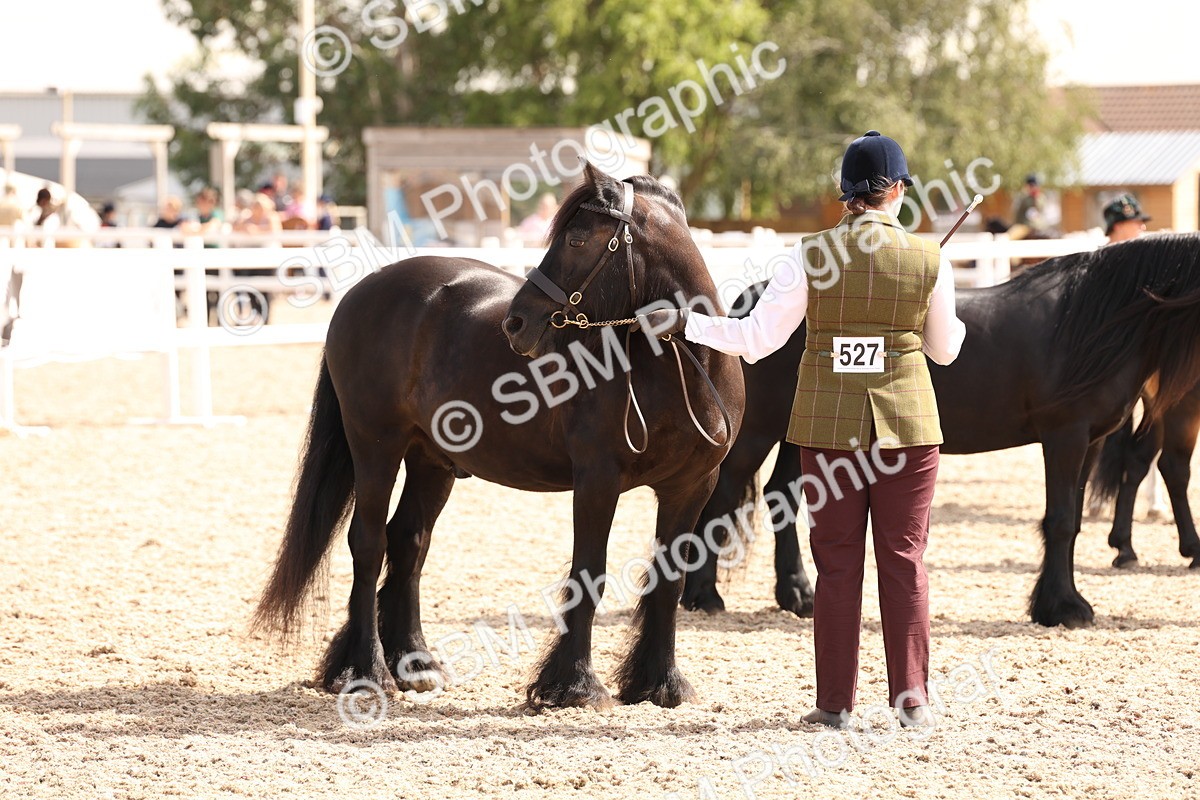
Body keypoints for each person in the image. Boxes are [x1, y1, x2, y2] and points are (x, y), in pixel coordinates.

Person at [638, 130, 966, 729]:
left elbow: (757, 342)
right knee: (904, 559)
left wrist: (688, 324)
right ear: (897, 191)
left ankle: (835, 704)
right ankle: (911, 699)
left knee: (837, 563)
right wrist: (945, 326)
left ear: (846, 194)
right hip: (908, 428)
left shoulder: (809, 257)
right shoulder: (930, 259)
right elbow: (945, 352)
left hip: (830, 428)